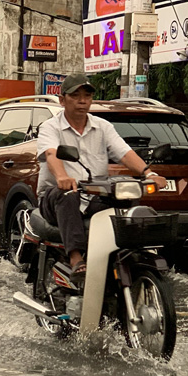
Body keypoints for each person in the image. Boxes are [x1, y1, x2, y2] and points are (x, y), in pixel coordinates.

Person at [36, 73, 165, 277]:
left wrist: (149, 173)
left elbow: (124, 153)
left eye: (87, 96)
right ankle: (76, 257)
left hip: (93, 195)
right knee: (67, 194)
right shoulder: (50, 127)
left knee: (126, 198)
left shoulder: (103, 126)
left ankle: (131, 253)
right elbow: (51, 154)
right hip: (55, 198)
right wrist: (61, 176)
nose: (82, 101)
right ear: (62, 100)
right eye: (75, 95)